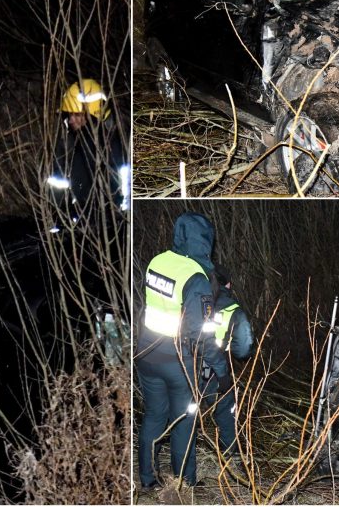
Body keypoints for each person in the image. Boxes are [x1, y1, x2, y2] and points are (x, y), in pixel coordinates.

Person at [136, 212, 231, 489]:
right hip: (178, 362)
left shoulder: (157, 261)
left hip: (147, 353)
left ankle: (147, 479)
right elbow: (200, 334)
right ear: (204, 241)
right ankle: (185, 483)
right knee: (184, 422)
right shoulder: (197, 278)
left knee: (154, 415)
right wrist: (221, 371)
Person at [45, 78, 129, 232]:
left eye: (76, 115)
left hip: (107, 230)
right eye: (69, 115)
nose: (70, 120)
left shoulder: (108, 147)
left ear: (92, 114)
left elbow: (116, 194)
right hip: (79, 228)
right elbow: (60, 186)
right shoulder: (74, 143)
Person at [199, 264, 253, 469]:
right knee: (226, 408)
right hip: (216, 370)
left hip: (187, 365)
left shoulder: (195, 300)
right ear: (228, 284)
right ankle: (231, 456)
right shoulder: (232, 310)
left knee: (187, 410)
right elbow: (244, 348)